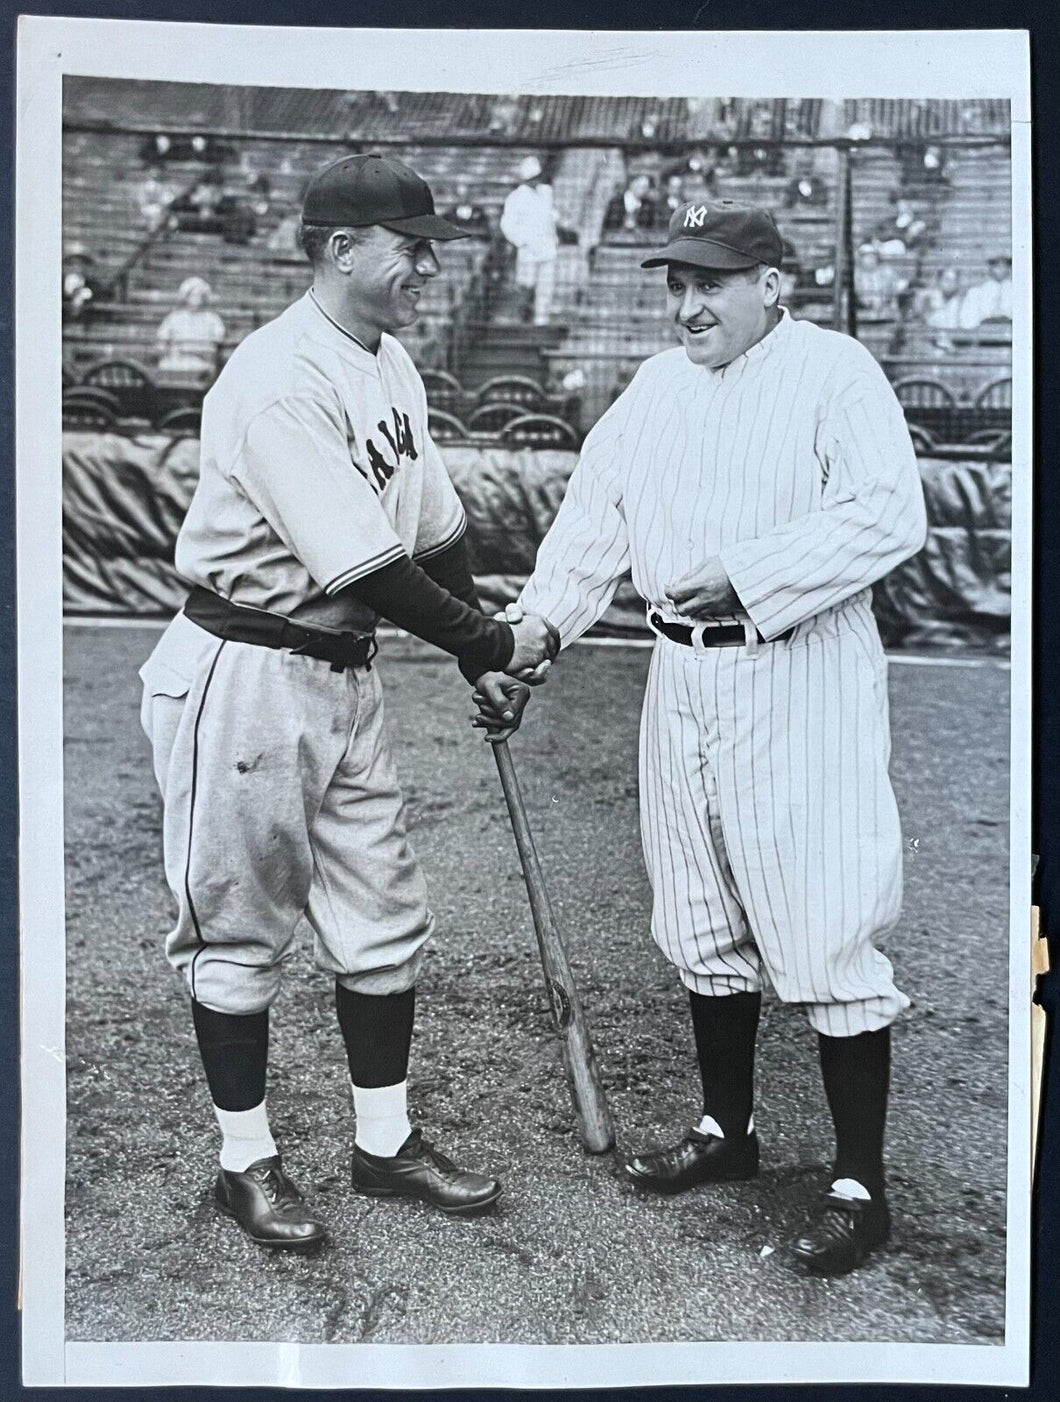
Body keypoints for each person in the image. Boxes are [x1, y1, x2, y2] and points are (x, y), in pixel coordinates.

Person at [139, 152, 556, 1253]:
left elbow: (434, 529)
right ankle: (246, 1162)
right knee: (237, 930)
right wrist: (493, 637)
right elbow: (361, 567)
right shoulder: (279, 377)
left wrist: (479, 659)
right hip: (245, 670)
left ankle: (384, 1145)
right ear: (340, 250)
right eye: (411, 246)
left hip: (343, 676)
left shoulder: (390, 361)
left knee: (382, 920)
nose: (427, 264)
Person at [509, 197, 927, 1276]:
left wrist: (750, 571)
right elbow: (592, 524)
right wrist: (539, 627)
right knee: (694, 907)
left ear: (772, 284)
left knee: (825, 914)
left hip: (795, 664)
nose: (687, 304)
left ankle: (857, 1183)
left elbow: (890, 512)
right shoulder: (655, 386)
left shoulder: (836, 372)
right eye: (677, 284)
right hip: (678, 670)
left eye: (711, 282)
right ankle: (728, 1132)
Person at [499, 155, 559, 324]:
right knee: (526, 285)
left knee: (546, 288)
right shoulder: (515, 198)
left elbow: (551, 214)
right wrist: (522, 241)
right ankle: (522, 319)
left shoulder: (546, 193)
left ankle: (541, 321)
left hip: (547, 248)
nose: (535, 181)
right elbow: (507, 226)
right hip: (528, 250)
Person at [155, 277, 227, 381]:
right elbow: (161, 342)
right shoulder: (174, 317)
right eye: (193, 295)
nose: (196, 298)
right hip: (176, 360)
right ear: (186, 296)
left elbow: (216, 345)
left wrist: (193, 350)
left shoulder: (213, 319)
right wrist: (167, 350)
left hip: (201, 361)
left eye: (200, 295)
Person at [957, 254, 1012, 328]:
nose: (1002, 268)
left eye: (1006, 264)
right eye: (996, 264)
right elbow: (966, 323)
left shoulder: (1016, 291)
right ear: (989, 267)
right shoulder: (976, 292)